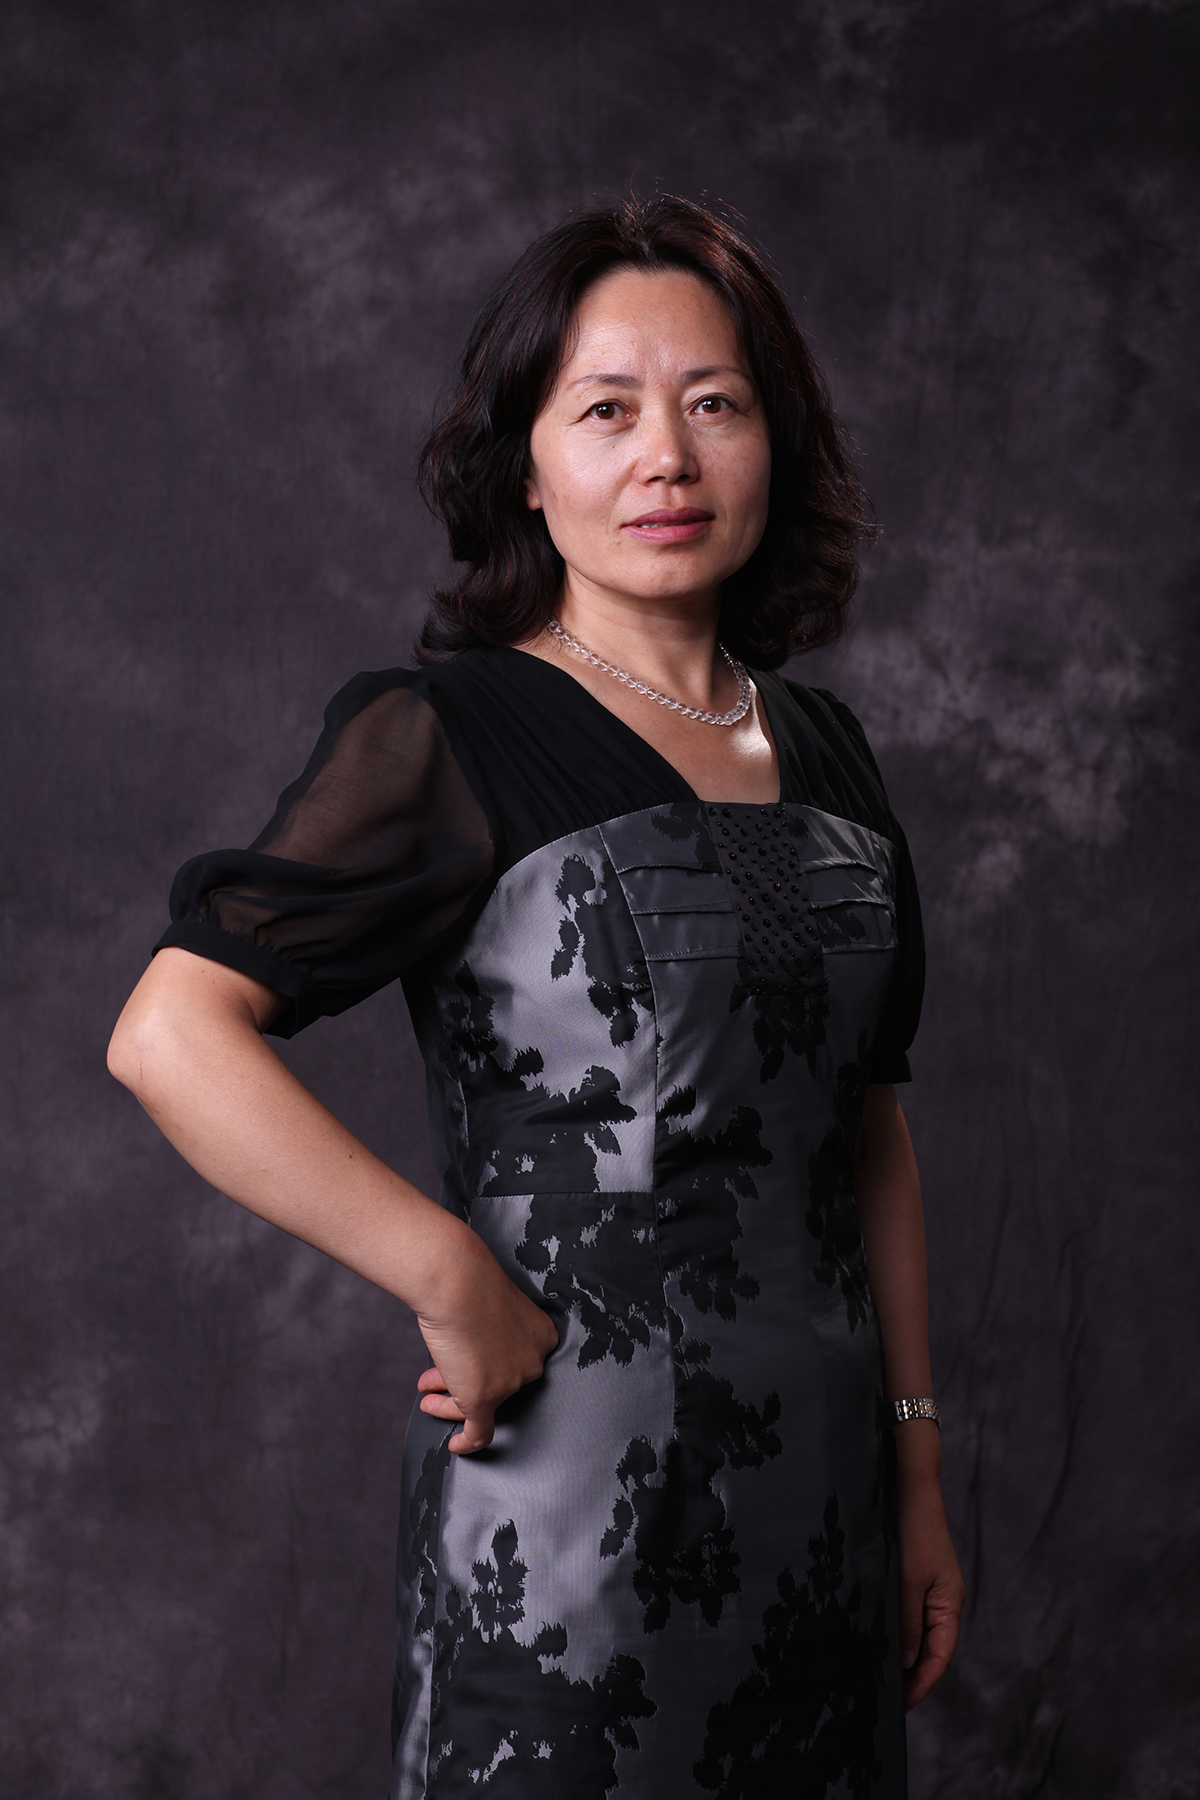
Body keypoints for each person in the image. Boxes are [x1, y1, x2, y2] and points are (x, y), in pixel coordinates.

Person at [108, 195, 965, 1798]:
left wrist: (916, 1466)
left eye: (715, 404)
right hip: (574, 1532)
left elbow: (868, 1130)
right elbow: (169, 1035)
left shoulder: (834, 751)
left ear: (774, 440)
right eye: (607, 411)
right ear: (527, 464)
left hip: (829, 1522)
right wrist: (446, 1272)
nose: (668, 459)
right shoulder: (449, 735)